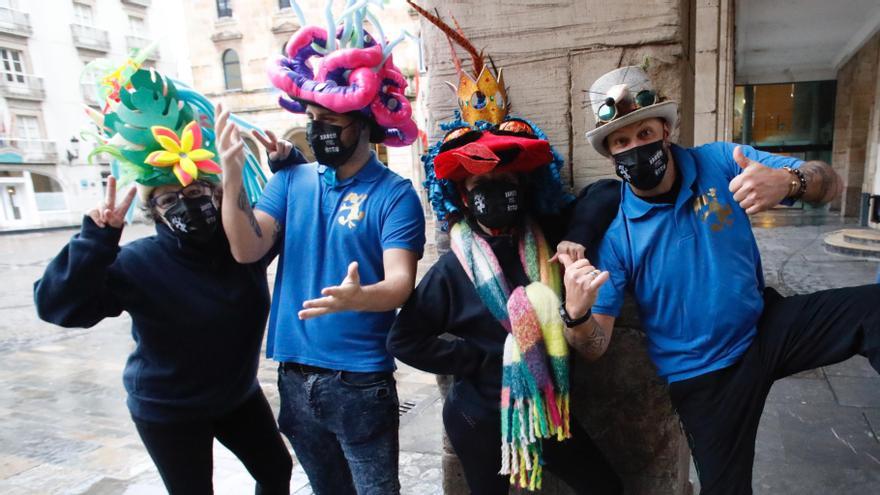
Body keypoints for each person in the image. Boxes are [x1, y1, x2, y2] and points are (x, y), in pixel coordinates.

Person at [562, 65, 880, 494]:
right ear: (611, 156)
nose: (635, 147)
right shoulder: (618, 237)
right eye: (621, 141)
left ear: (666, 132)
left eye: (644, 134)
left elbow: (830, 181)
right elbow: (595, 345)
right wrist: (576, 316)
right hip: (703, 378)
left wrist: (790, 181)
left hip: (764, 328)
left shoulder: (719, 162)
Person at [389, 5, 623, 493]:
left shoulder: (547, 235)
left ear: (525, 185)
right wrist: (473, 359)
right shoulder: (454, 269)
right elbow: (404, 340)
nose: (495, 192)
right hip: (479, 415)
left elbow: (606, 193)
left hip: (547, 405)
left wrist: (573, 237)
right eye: (482, 184)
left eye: (506, 181)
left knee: (605, 486)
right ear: (463, 196)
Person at [34, 66, 291, 494]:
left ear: (217, 193)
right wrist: (95, 242)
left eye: (197, 193)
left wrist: (287, 165)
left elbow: (289, 214)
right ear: (154, 212)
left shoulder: (244, 246)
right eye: (170, 200)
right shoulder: (138, 263)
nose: (187, 206)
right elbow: (58, 306)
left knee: (275, 470)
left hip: (236, 396)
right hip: (168, 410)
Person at [215, 5, 425, 495]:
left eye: (333, 120)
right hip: (293, 375)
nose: (319, 130)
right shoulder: (291, 180)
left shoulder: (394, 194)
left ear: (366, 123)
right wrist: (230, 179)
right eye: (312, 118)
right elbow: (248, 249)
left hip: (360, 381)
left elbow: (399, 284)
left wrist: (359, 297)